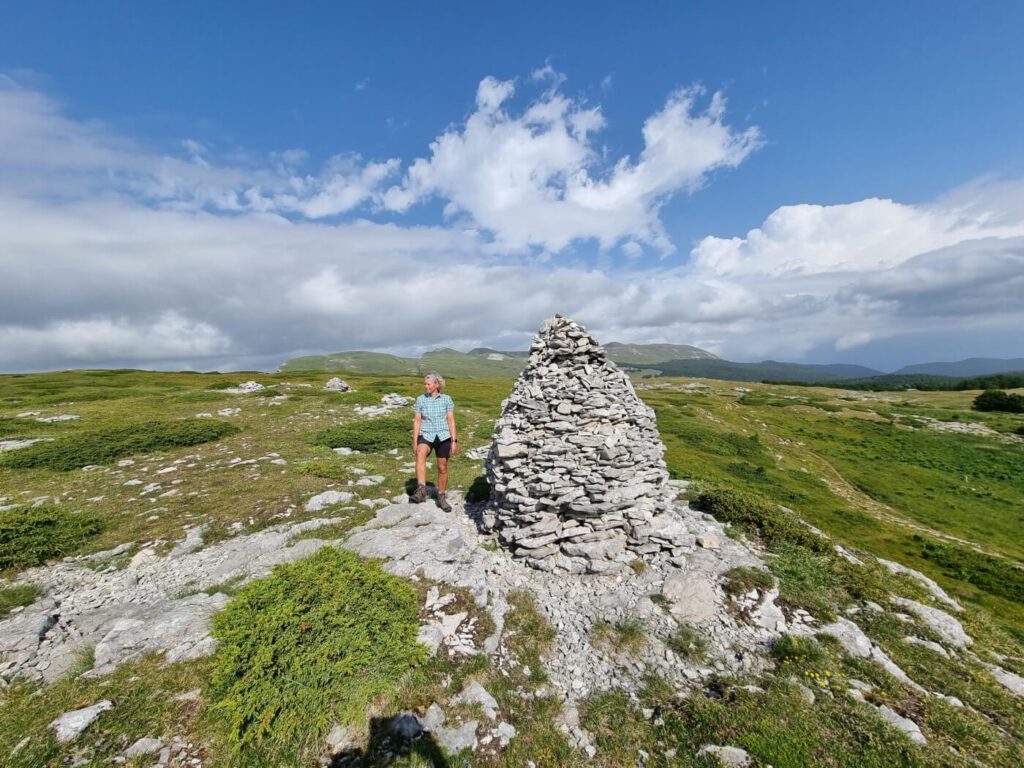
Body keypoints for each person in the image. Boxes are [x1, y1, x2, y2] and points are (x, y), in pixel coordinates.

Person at [410, 371, 457, 511]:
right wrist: (414, 442)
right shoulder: (420, 399)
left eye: (428, 384)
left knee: (442, 468)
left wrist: (454, 441)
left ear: (437, 384)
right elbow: (417, 422)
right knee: (420, 454)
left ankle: (441, 497)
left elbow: (451, 421)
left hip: (443, 436)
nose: (426, 386)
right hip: (426, 434)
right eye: (425, 384)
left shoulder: (446, 399)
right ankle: (421, 490)